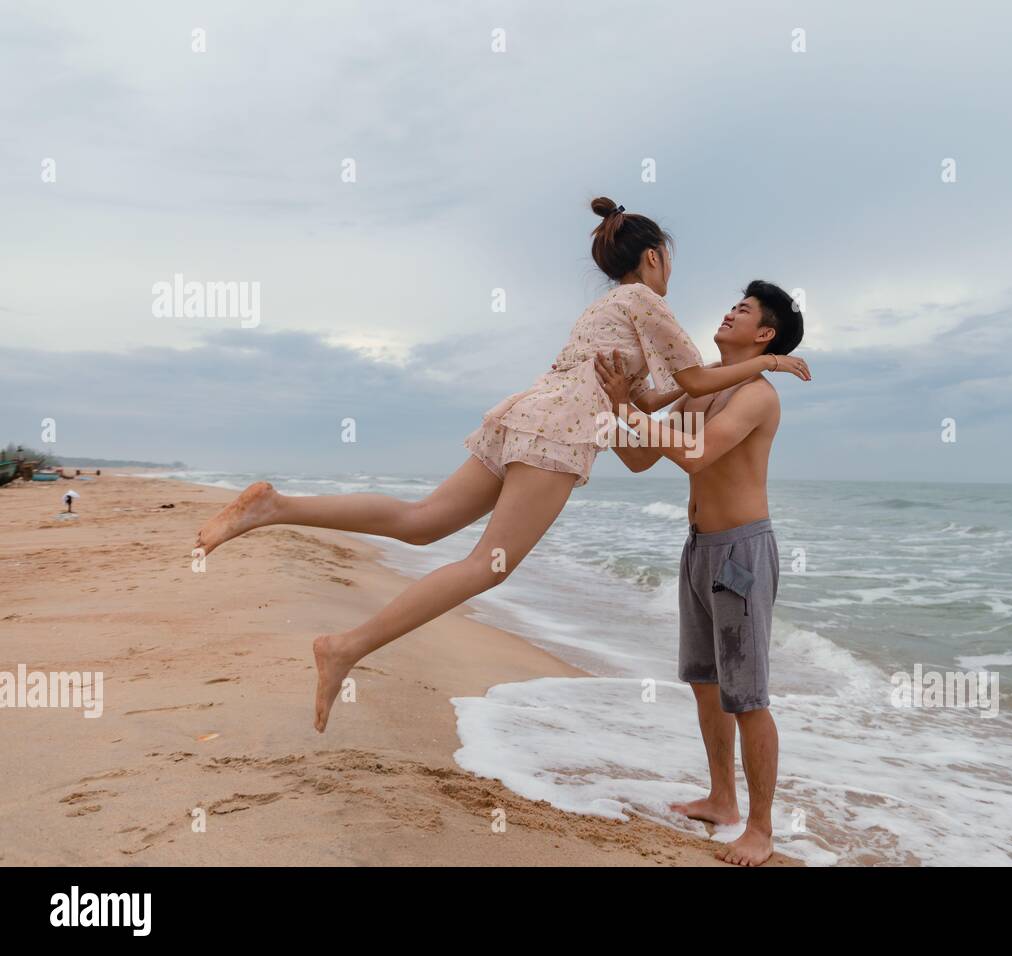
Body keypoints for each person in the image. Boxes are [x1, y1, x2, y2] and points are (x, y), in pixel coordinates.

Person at [194, 200, 811, 732]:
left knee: (422, 520)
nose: (672, 271)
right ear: (652, 258)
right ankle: (345, 647)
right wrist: (769, 364)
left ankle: (274, 507)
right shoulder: (646, 303)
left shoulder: (611, 310)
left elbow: (644, 410)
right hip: (561, 430)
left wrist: (641, 400)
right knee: (486, 566)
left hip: (528, 411)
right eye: (668, 258)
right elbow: (698, 377)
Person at [594, 280, 803, 867]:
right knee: (706, 684)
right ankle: (721, 800)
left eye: (744, 310)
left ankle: (760, 830)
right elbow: (638, 458)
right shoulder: (699, 390)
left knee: (748, 697)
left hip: (741, 553)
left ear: (765, 335)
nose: (730, 311)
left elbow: (694, 455)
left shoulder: (757, 395)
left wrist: (628, 410)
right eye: (732, 304)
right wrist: (617, 407)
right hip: (698, 546)